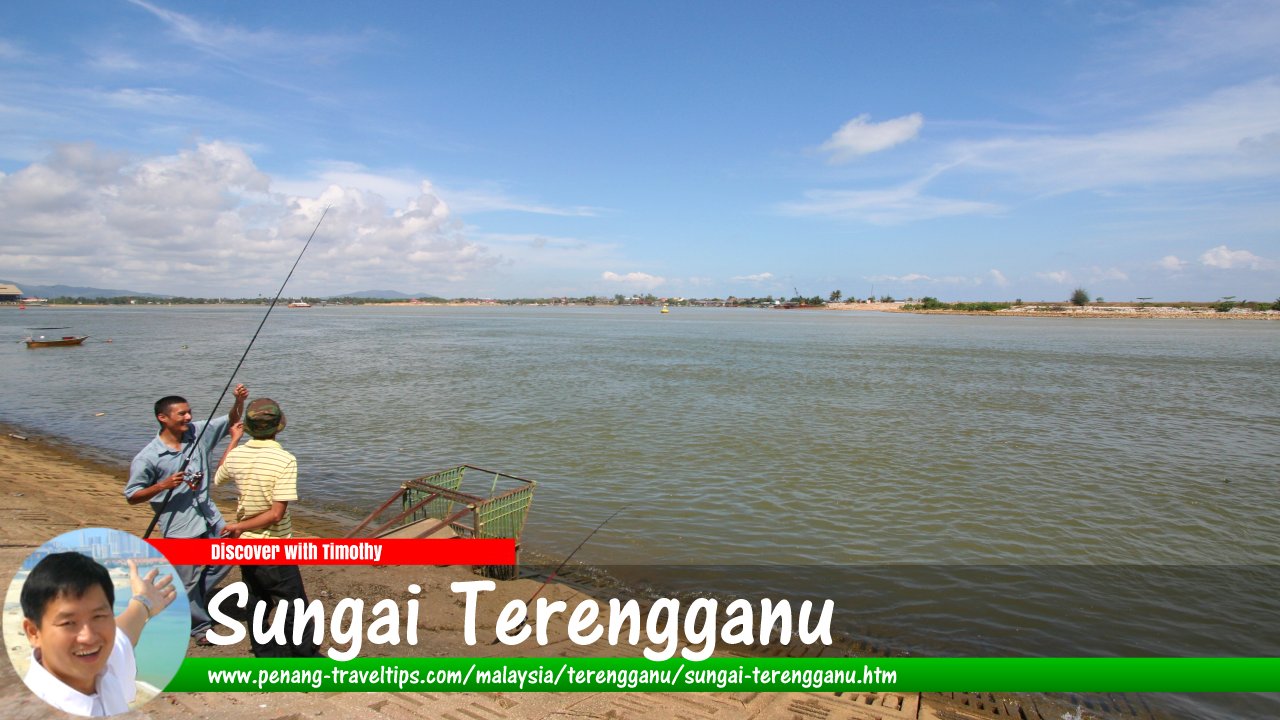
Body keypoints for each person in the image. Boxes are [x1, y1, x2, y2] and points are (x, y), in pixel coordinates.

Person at [124, 384, 247, 644]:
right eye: (182, 414)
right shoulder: (148, 457)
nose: (188, 418)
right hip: (179, 527)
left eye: (189, 412)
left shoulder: (198, 433)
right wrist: (162, 486)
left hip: (210, 516)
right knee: (188, 580)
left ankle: (187, 600)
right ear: (163, 418)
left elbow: (233, 420)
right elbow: (132, 496)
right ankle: (199, 629)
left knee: (226, 557)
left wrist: (238, 401)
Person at [213, 397, 319, 657]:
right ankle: (305, 655)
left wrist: (233, 441)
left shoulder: (237, 455)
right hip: (273, 545)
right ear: (278, 426)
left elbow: (218, 477)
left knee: (257, 598)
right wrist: (239, 525)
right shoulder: (284, 460)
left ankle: (265, 652)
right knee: (294, 604)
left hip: (246, 545)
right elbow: (275, 514)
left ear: (248, 426)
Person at [20, 552, 178, 717]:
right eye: (68, 623)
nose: (88, 637)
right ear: (33, 632)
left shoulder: (103, 666)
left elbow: (123, 634)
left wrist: (144, 602)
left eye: (98, 616)